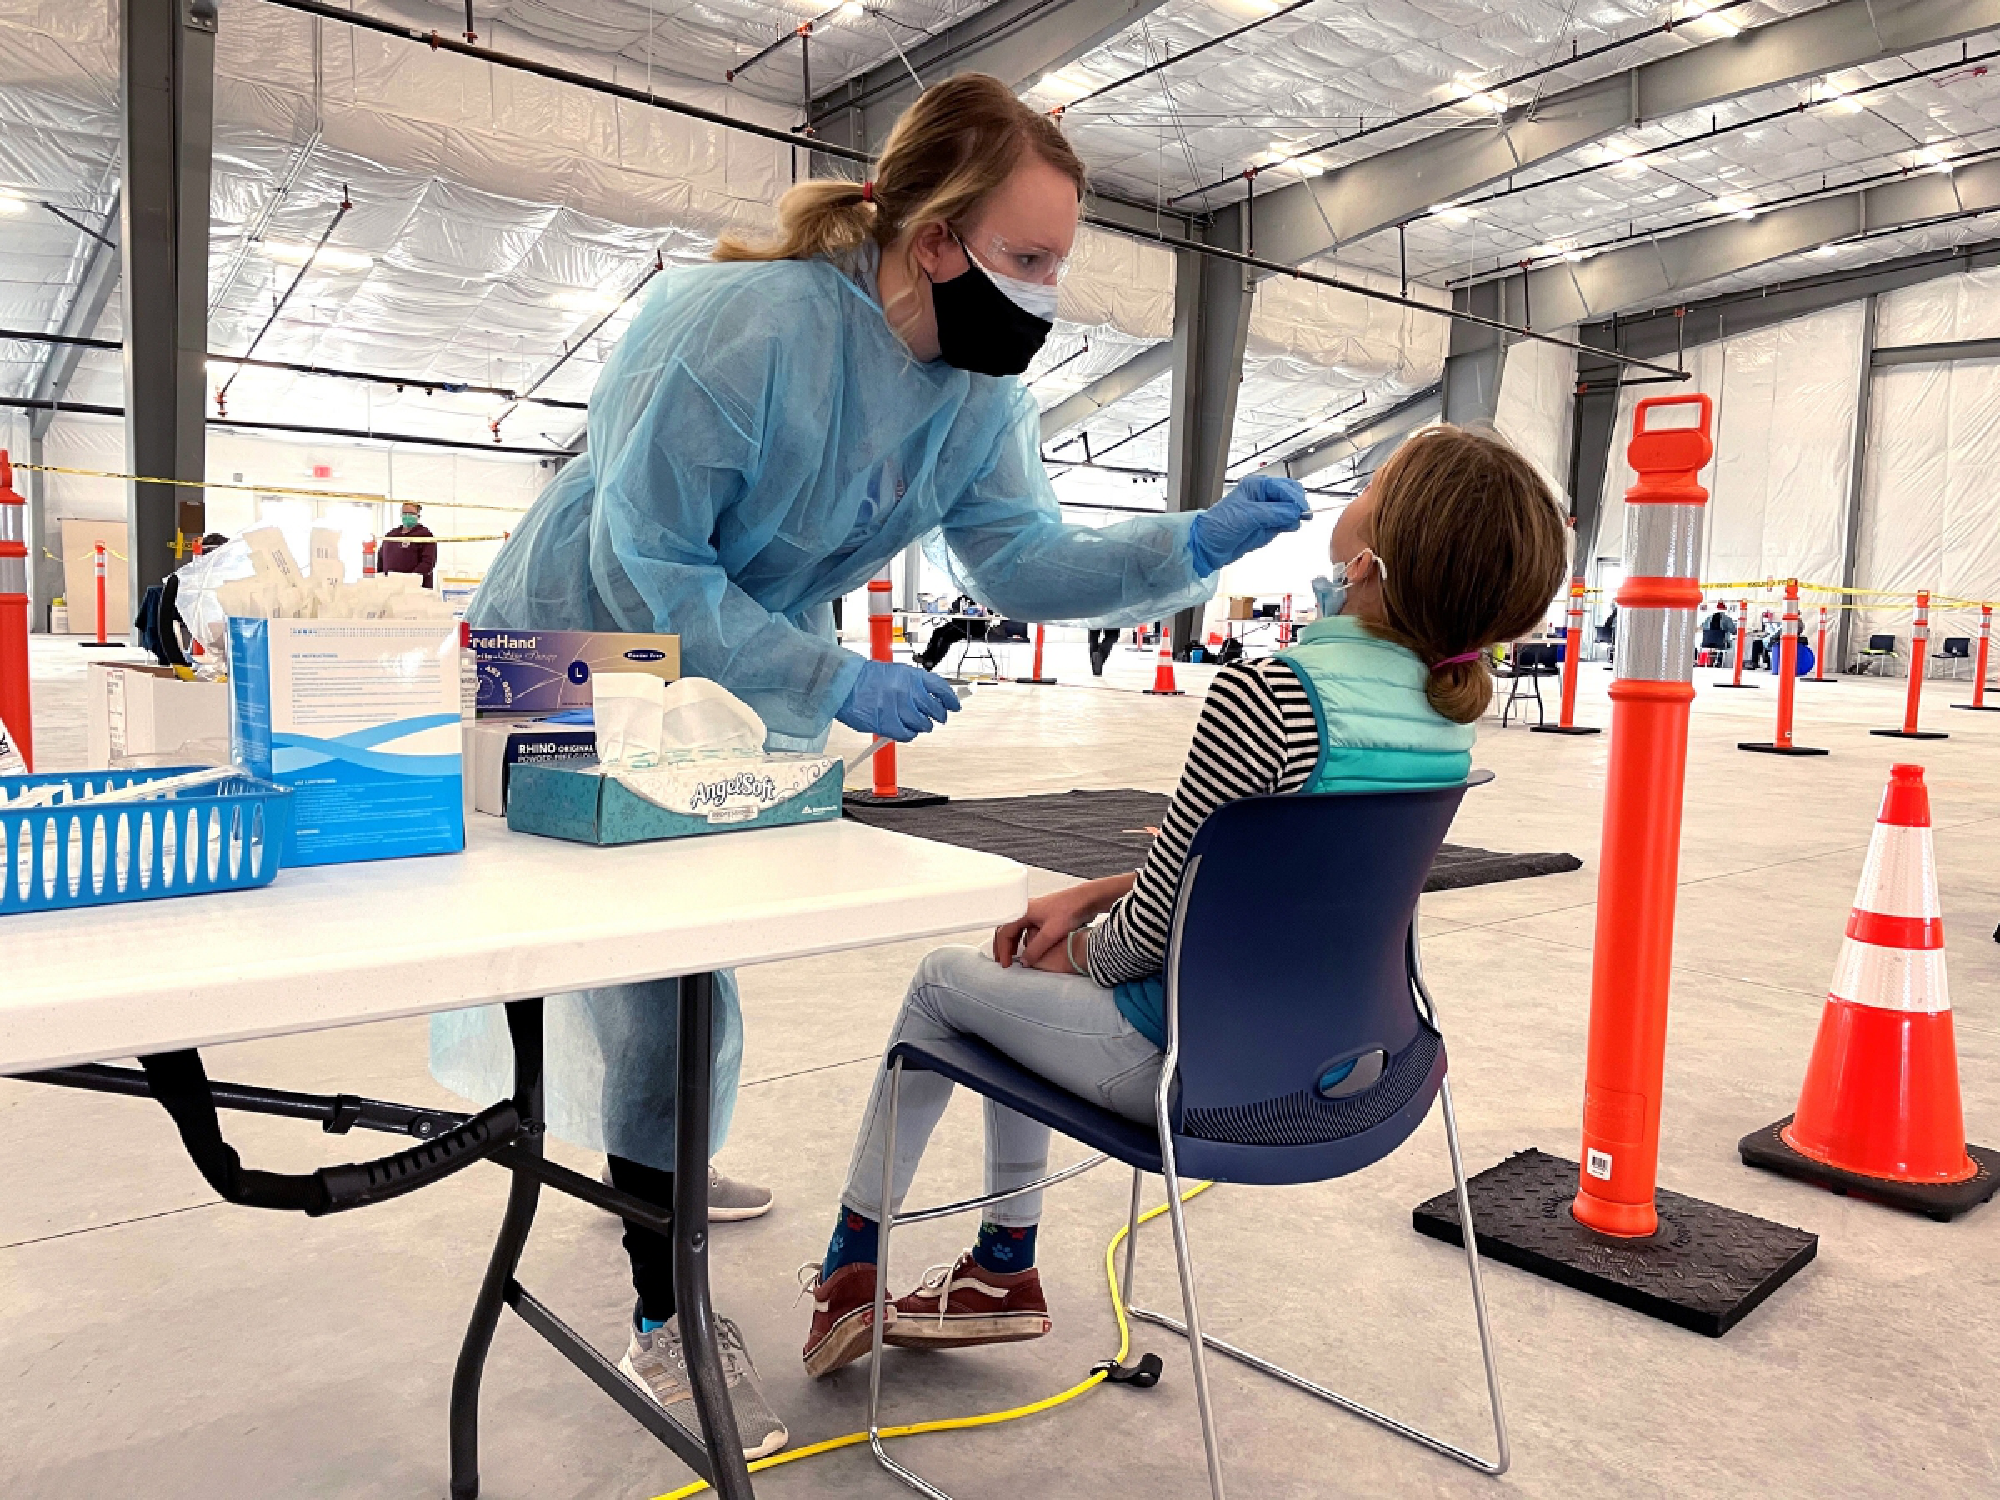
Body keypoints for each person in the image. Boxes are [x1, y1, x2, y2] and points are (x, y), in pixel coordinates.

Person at [430, 74, 1308, 1457]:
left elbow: (1018, 552)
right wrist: (829, 676)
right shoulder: (735, 327)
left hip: (727, 663)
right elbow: (647, 562)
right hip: (563, 640)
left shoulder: (968, 386)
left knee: (690, 954)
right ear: (933, 236)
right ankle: (663, 1314)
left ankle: (651, 1165)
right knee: (642, 959)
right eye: (1028, 259)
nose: (1044, 294)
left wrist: (1187, 544)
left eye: (1056, 264)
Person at [800, 423, 1568, 1378]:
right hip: (1366, 1068)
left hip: (1187, 1069)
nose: (1355, 491)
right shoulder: (1443, 714)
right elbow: (1265, 867)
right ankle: (998, 1271)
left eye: (1376, 483)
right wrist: (1094, 891)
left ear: (1373, 557)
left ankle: (864, 1267)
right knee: (1015, 988)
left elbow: (1143, 945)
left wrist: (1069, 948)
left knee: (947, 984)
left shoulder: (1274, 694)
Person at [379, 501, 437, 589]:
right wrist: (381, 578)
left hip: (415, 590)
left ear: (418, 515)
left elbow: (428, 563)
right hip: (390, 587)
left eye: (410, 513)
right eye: (404, 513)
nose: (407, 516)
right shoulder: (391, 535)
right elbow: (381, 558)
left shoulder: (425, 535)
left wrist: (409, 581)